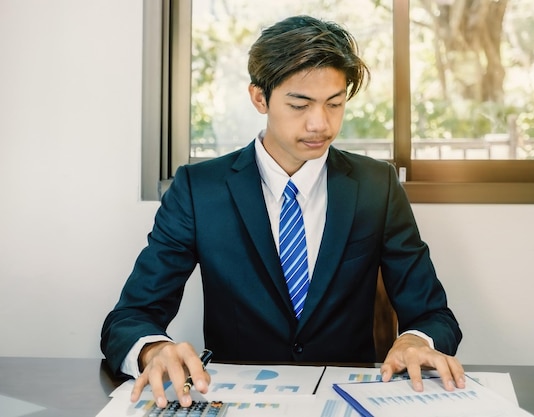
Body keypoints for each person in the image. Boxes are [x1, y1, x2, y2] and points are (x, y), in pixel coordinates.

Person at [101, 14, 464, 409]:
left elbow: (434, 315)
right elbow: (130, 317)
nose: (320, 124)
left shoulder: (377, 185)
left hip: (348, 400)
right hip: (237, 401)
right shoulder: (198, 189)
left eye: (335, 104)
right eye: (300, 104)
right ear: (260, 98)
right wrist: (152, 349)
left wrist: (416, 339)